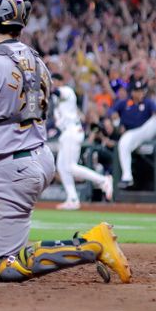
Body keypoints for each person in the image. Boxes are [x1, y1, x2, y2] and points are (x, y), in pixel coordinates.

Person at [0, 0, 130, 283]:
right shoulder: (36, 59)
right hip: (35, 156)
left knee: (5, 268)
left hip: (9, 166)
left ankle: (92, 244)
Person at [51, 73, 113, 210]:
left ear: (61, 81)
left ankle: (103, 180)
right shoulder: (56, 100)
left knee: (71, 166)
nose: (54, 82)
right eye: (52, 80)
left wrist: (41, 84)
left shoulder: (67, 91)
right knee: (61, 167)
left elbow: (54, 91)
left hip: (72, 131)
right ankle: (73, 198)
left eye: (56, 80)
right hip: (66, 132)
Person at [112, 80, 156, 188]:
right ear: (132, 92)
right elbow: (112, 112)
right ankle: (127, 177)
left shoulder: (147, 102)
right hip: (131, 135)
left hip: (146, 133)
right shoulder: (125, 103)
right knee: (124, 142)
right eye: (137, 91)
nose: (140, 93)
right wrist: (117, 124)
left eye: (141, 91)